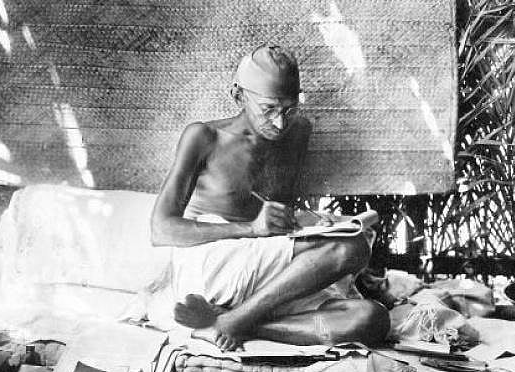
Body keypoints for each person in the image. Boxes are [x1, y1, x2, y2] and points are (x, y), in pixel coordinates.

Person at [151, 45, 389, 351]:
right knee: (350, 249)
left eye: (289, 109)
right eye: (268, 109)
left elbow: (275, 207)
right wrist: (251, 228)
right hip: (214, 262)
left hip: (267, 268)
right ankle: (238, 318)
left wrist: (312, 221)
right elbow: (161, 230)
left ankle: (232, 321)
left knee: (371, 320)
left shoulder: (297, 132)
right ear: (238, 96)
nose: (280, 123)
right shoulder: (204, 137)